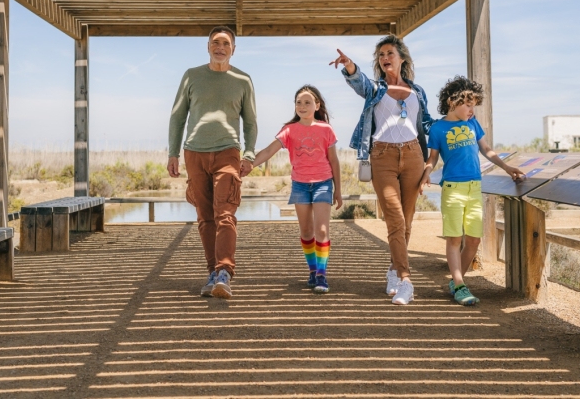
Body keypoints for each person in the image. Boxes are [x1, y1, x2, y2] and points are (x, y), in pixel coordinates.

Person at [330, 35, 433, 305]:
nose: (385, 58)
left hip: (413, 155)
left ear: (402, 58)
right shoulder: (375, 89)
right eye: (380, 55)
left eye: (389, 53)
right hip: (382, 156)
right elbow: (359, 82)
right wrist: (350, 65)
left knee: (406, 221)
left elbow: (429, 126)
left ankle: (392, 270)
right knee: (395, 217)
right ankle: (406, 280)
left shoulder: (418, 92)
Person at [167, 26, 257, 300]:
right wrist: (173, 152)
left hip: (227, 152)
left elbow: (251, 122)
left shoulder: (243, 80)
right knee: (205, 218)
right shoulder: (191, 76)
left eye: (226, 43)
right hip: (194, 153)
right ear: (208, 46)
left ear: (233, 49)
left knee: (225, 214)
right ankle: (211, 271)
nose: (220, 47)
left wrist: (249, 154)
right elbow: (177, 116)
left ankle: (224, 272)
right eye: (215, 42)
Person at [420, 76, 524, 306]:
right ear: (452, 101)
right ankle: (459, 285)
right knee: (455, 238)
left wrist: (507, 168)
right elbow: (433, 158)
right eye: (468, 104)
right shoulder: (437, 129)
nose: (471, 109)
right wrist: (426, 173)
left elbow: (487, 150)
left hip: (475, 188)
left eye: (474, 104)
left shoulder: (473, 124)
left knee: (474, 241)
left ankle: (457, 281)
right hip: (453, 189)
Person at [252, 85, 343, 294]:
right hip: (300, 184)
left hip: (323, 183)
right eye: (299, 102)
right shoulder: (289, 130)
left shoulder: (326, 129)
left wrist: (338, 190)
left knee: (321, 230)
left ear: (317, 105)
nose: (302, 106)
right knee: (306, 231)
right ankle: (312, 271)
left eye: (307, 102)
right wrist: (248, 165)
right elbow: (268, 151)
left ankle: (321, 275)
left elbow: (334, 161)